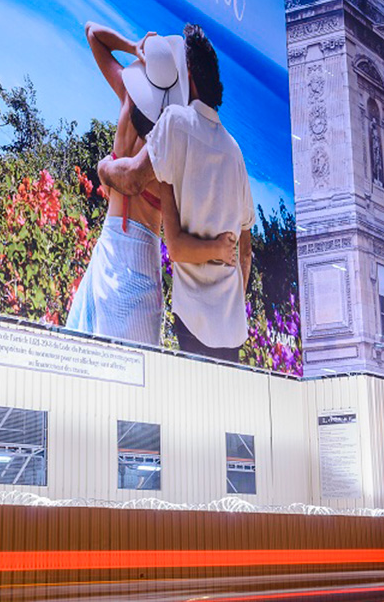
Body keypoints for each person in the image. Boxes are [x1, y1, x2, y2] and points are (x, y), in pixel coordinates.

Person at [63, 24, 234, 346]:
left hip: (107, 243)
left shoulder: (129, 96)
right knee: (126, 378)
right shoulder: (173, 135)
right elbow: (132, 181)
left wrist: (132, 47)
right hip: (137, 258)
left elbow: (92, 32)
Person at [99, 24, 253, 362]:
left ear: (190, 78)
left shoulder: (176, 122)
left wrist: (103, 169)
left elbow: (134, 179)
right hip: (231, 326)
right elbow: (244, 253)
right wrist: (233, 300)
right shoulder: (235, 151)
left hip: (193, 318)